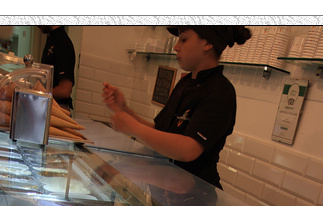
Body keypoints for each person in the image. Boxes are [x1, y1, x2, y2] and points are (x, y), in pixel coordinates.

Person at [102, 26, 251, 188]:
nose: (176, 47)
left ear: (208, 43)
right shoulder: (185, 83)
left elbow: (188, 150)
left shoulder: (220, 91)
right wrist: (125, 111)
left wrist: (133, 128)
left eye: (184, 39)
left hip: (195, 194)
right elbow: (161, 132)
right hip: (166, 187)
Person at [38, 26, 76, 112]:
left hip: (59, 107)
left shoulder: (63, 44)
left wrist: (38, 94)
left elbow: (65, 90)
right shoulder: (52, 39)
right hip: (50, 105)